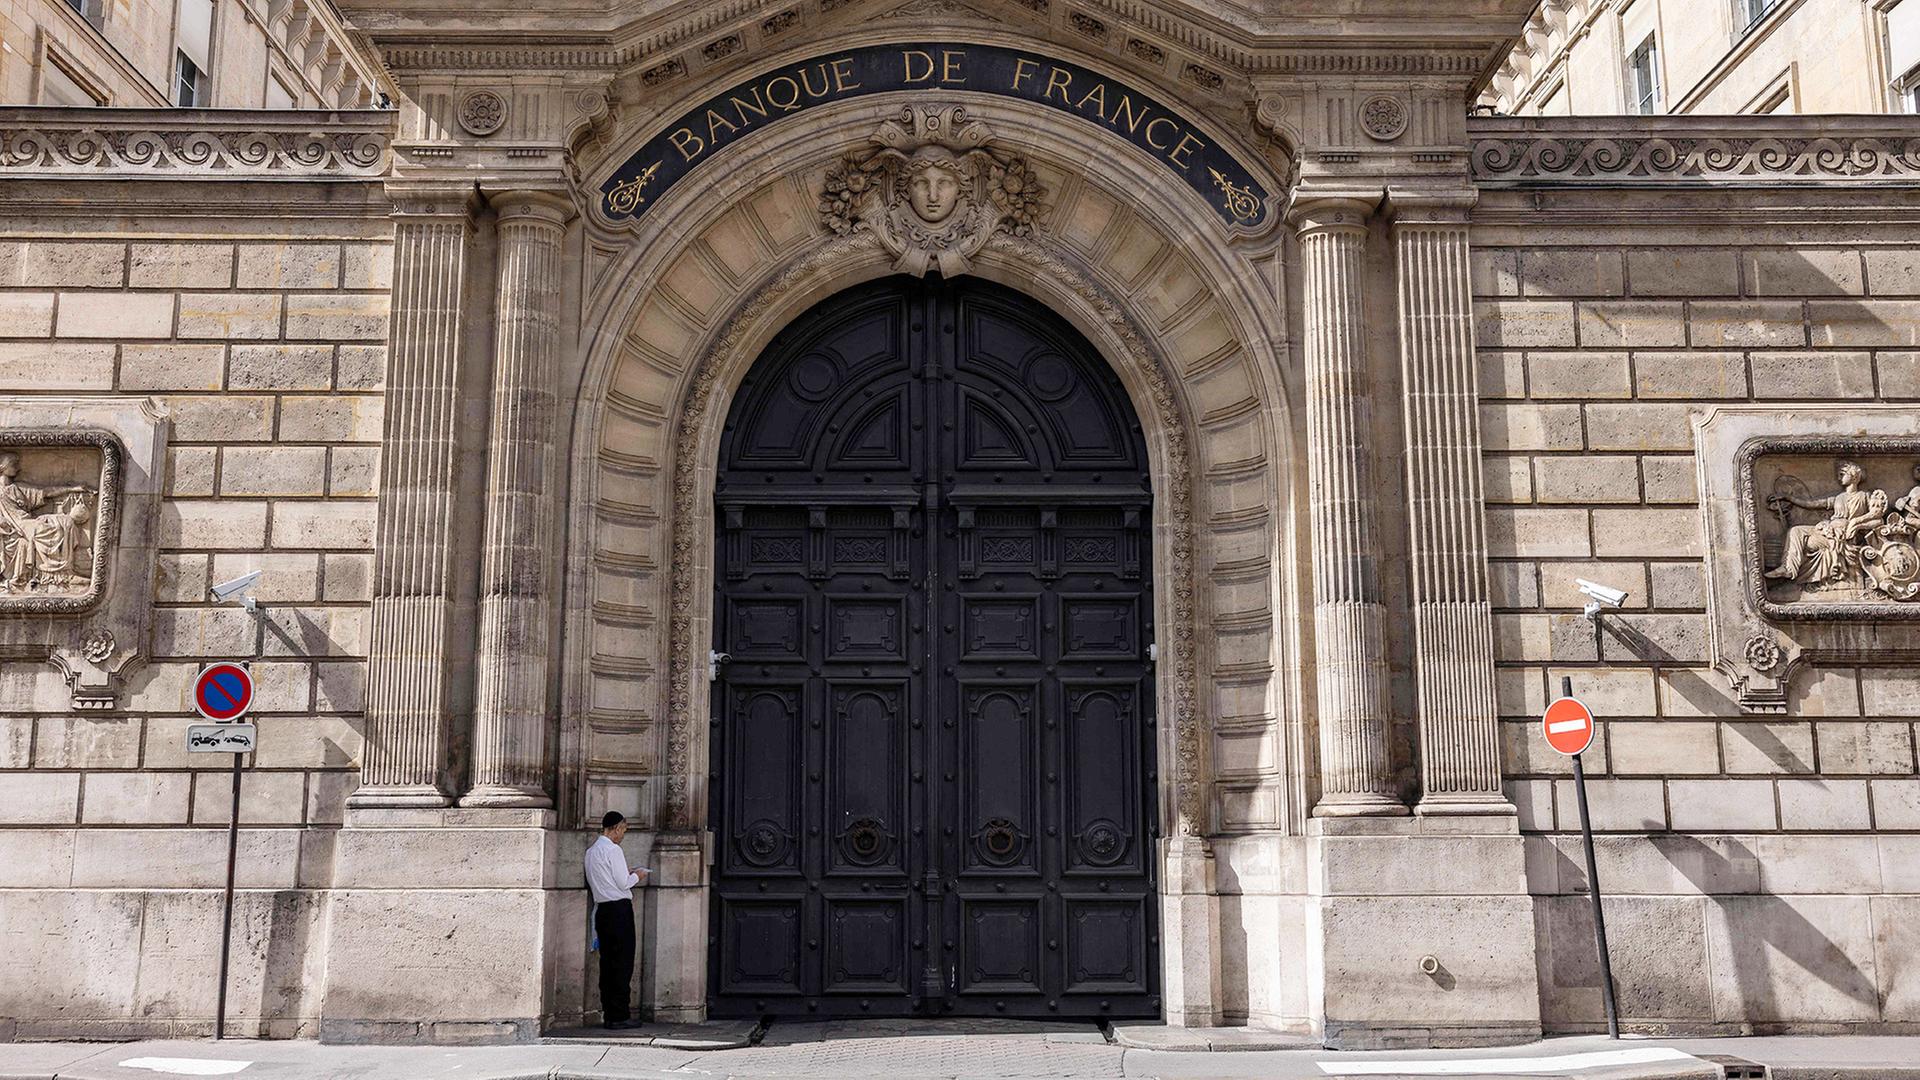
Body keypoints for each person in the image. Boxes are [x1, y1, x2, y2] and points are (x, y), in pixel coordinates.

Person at [584, 810, 649, 1029]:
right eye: (623, 830)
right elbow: (623, 883)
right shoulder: (614, 850)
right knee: (623, 963)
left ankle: (610, 1014)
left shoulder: (591, 852)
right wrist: (638, 875)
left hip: (602, 910)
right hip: (619, 911)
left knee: (608, 964)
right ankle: (620, 1015)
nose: (623, 835)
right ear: (615, 828)